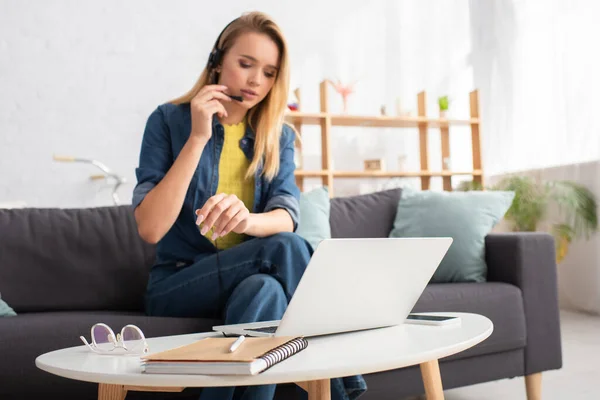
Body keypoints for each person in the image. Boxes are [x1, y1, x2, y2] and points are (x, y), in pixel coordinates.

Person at [132, 11, 367, 400]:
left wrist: (247, 219)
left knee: (266, 291)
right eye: (245, 64)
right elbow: (150, 229)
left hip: (246, 278)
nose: (257, 80)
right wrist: (197, 138)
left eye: (270, 72)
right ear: (217, 61)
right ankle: (345, 386)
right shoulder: (168, 120)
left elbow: (286, 215)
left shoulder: (277, 136)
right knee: (286, 249)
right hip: (178, 281)